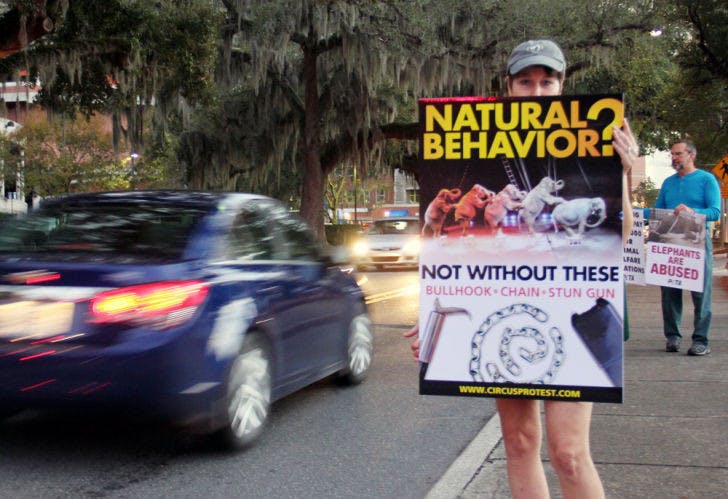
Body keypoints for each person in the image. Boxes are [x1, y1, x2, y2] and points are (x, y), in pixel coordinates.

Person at [406, 39, 641, 499]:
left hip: (576, 306)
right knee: (518, 442)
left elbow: (620, 236)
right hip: (505, 305)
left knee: (569, 452)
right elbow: (449, 252)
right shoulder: (475, 138)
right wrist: (430, 312)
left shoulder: (592, 138)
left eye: (547, 81)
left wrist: (626, 174)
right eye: (526, 82)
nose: (536, 92)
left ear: (562, 85)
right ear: (509, 87)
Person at [655, 139, 720, 356]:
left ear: (691, 155)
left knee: (701, 292)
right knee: (669, 291)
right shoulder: (668, 183)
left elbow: (715, 212)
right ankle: (672, 336)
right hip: (671, 242)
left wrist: (692, 211)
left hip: (697, 241)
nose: (674, 158)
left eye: (678, 154)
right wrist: (634, 213)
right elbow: (657, 211)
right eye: (672, 154)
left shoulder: (706, 180)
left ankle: (700, 340)